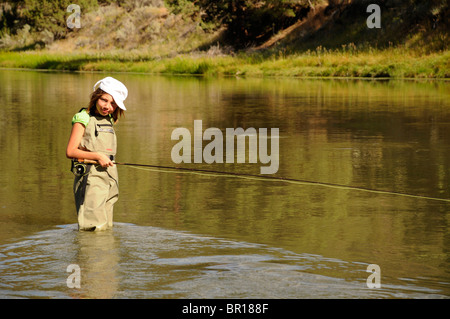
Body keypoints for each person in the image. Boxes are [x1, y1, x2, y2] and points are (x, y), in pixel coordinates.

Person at [66, 77, 128, 231]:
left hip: (110, 176)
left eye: (113, 103)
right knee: (92, 227)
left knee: (106, 227)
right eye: (104, 100)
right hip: (90, 177)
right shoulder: (83, 118)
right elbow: (71, 151)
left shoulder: (110, 120)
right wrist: (99, 156)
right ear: (95, 97)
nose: (107, 106)